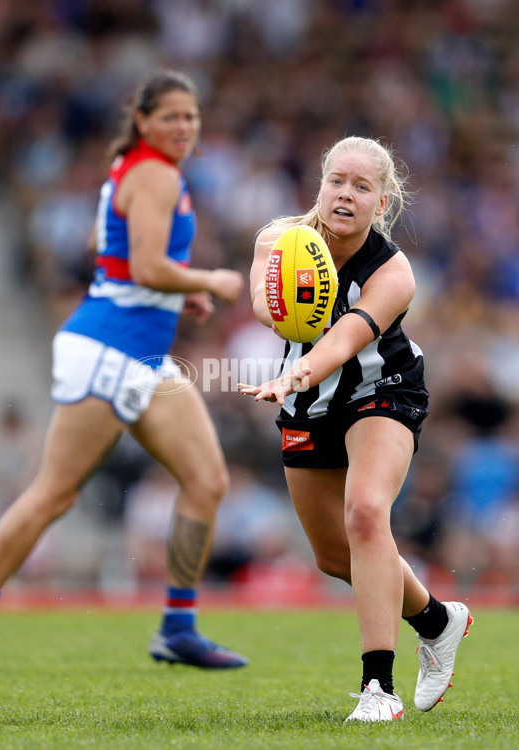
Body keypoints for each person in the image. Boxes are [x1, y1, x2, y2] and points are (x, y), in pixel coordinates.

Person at [0, 69, 247, 672]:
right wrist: (209, 279)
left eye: (192, 116)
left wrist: (180, 297)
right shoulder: (153, 173)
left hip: (142, 355)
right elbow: (149, 267)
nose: (184, 126)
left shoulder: (150, 172)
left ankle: (178, 625)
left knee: (206, 481)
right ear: (142, 121)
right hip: (108, 351)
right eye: (171, 116)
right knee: (54, 493)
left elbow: (128, 269)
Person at [239, 136, 472, 721]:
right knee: (334, 555)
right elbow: (268, 310)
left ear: (383, 202)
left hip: (383, 388)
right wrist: (286, 317)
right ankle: (439, 621)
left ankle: (378, 689)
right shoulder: (278, 241)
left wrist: (296, 374)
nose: (345, 193)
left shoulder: (394, 271)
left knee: (366, 513)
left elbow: (346, 339)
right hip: (307, 402)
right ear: (320, 184)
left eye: (361, 186)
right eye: (337, 180)